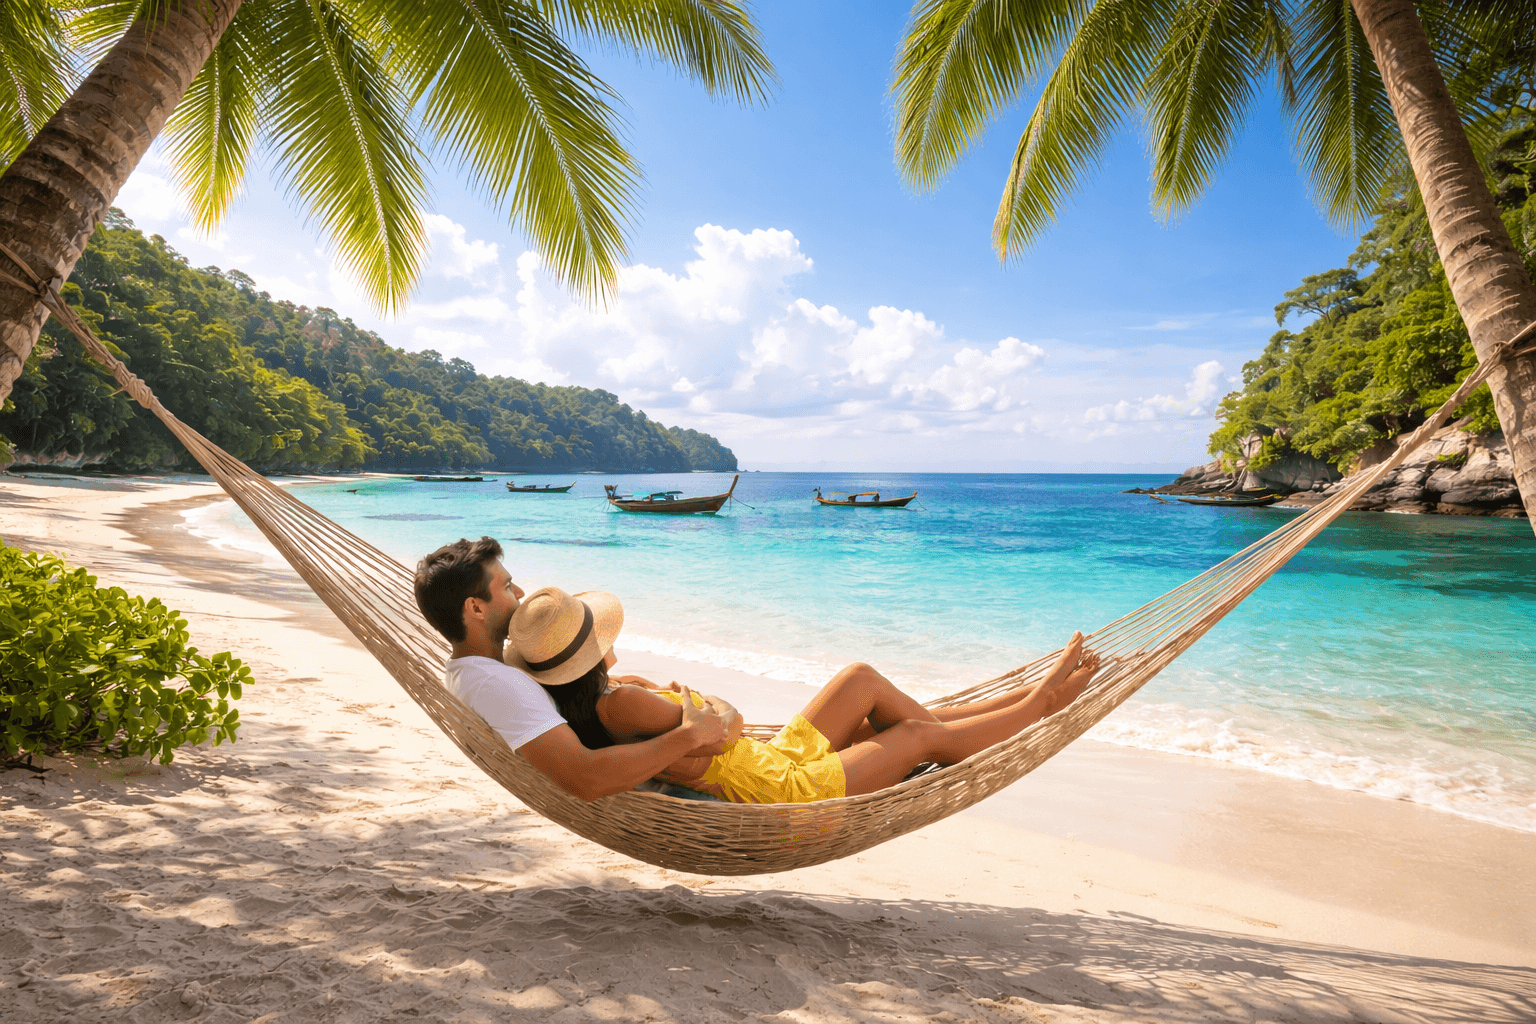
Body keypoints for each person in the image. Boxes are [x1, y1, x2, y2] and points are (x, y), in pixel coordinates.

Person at [509, 586, 1100, 804]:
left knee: (861, 678)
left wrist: (708, 713)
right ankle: (1038, 705)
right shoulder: (624, 704)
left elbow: (709, 728)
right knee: (915, 733)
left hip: (775, 758)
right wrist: (718, 710)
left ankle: (979, 731)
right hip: (782, 792)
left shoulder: (616, 695)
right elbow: (721, 730)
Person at [413, 537, 733, 801]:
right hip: (670, 794)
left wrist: (621, 683)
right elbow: (585, 778)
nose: (521, 593)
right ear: (476, 607)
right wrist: (688, 736)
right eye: (508, 586)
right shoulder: (499, 686)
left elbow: (561, 694)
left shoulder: (476, 670)